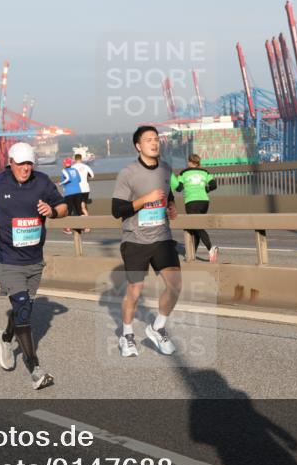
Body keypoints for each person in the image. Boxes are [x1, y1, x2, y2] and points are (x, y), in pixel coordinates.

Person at [0, 142, 66, 389]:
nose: (26, 169)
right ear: (10, 162)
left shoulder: (42, 181)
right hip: (8, 259)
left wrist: (53, 211)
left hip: (35, 259)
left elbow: (63, 206)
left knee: (23, 309)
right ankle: (35, 368)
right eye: (21, 164)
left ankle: (5, 338)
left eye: (29, 164)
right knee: (23, 308)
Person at [111, 125, 180, 358]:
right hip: (135, 240)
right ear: (138, 146)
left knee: (175, 285)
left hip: (162, 237)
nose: (154, 142)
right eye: (148, 139)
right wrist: (144, 200)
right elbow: (116, 209)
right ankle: (127, 334)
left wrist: (171, 205)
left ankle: (157, 327)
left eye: (156, 139)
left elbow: (167, 193)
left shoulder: (166, 169)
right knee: (135, 292)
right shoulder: (127, 173)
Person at [171, 153, 219, 262]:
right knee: (195, 227)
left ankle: (210, 248)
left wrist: (170, 176)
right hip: (204, 202)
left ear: (189, 162)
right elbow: (214, 185)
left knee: (197, 226)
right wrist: (206, 190)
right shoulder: (205, 172)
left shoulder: (184, 173)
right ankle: (190, 254)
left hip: (191, 202)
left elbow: (179, 188)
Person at [59, 157, 84, 234]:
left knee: (68, 211)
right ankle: (80, 227)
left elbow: (67, 179)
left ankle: (68, 228)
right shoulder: (75, 170)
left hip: (69, 193)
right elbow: (79, 180)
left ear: (64, 164)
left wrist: (60, 183)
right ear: (71, 163)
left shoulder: (64, 171)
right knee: (78, 210)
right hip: (78, 192)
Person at [71, 152, 95, 230]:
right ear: (81, 159)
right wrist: (86, 177)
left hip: (77, 189)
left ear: (75, 159)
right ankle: (84, 225)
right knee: (83, 205)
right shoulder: (86, 166)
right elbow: (92, 176)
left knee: (81, 207)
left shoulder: (72, 167)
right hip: (86, 188)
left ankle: (87, 226)